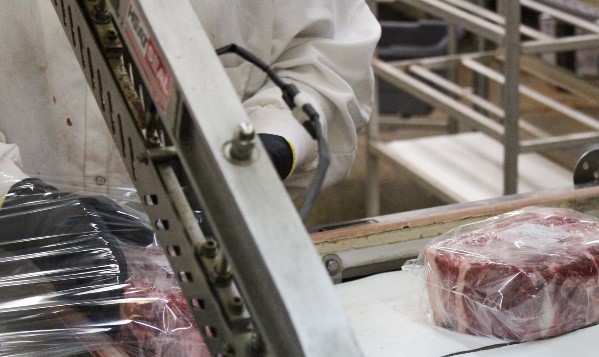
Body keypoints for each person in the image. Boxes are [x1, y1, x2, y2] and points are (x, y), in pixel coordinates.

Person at [0, 0, 381, 200]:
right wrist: (20, 204)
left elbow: (328, 57)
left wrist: (274, 140)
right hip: (17, 272)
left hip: (208, 279)